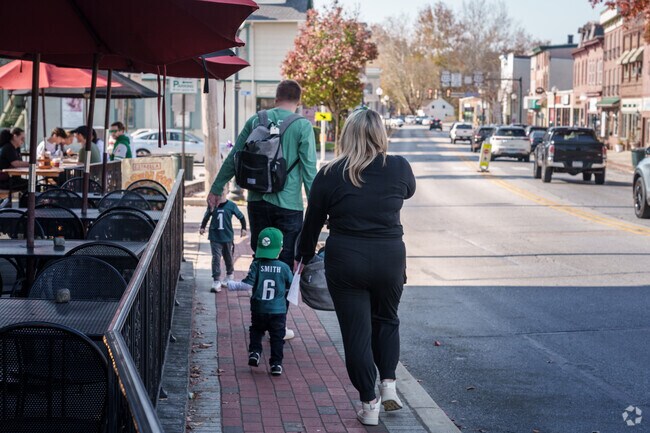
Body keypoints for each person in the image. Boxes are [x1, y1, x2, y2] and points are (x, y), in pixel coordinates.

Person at [296, 108, 416, 426]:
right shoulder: (399, 167)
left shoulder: (329, 173)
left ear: (348, 134)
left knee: (356, 335)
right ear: (380, 134)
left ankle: (370, 404)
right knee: (387, 320)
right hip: (390, 257)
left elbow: (313, 222)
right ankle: (388, 383)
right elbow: (409, 191)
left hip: (345, 259)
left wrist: (303, 254)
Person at [207, 79, 317, 340]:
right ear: (298, 101)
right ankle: (279, 325)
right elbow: (310, 172)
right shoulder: (302, 126)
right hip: (289, 206)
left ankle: (259, 319)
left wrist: (216, 187)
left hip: (257, 202)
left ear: (276, 98)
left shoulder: (256, 120)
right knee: (283, 264)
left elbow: (235, 157)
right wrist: (318, 209)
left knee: (262, 259)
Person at [227, 227, 293, 376]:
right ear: (280, 249)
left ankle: (255, 353)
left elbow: (247, 285)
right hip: (278, 311)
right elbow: (291, 284)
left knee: (256, 331)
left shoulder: (256, 265)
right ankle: (276, 364)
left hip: (259, 309)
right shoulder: (284, 267)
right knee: (277, 337)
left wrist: (232, 285)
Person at [199, 193, 247, 292]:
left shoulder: (231, 205)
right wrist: (202, 227)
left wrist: (244, 228)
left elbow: (241, 217)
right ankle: (216, 280)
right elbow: (206, 216)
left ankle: (230, 274)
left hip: (227, 237)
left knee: (228, 256)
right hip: (215, 237)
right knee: (216, 257)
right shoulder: (212, 205)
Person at [0, 127, 29, 191]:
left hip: (11, 179)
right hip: (4, 181)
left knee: (32, 183)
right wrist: (32, 163)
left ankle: (27, 200)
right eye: (22, 138)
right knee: (32, 184)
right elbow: (16, 163)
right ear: (15, 137)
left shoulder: (15, 148)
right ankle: (29, 200)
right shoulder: (8, 148)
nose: (23, 141)